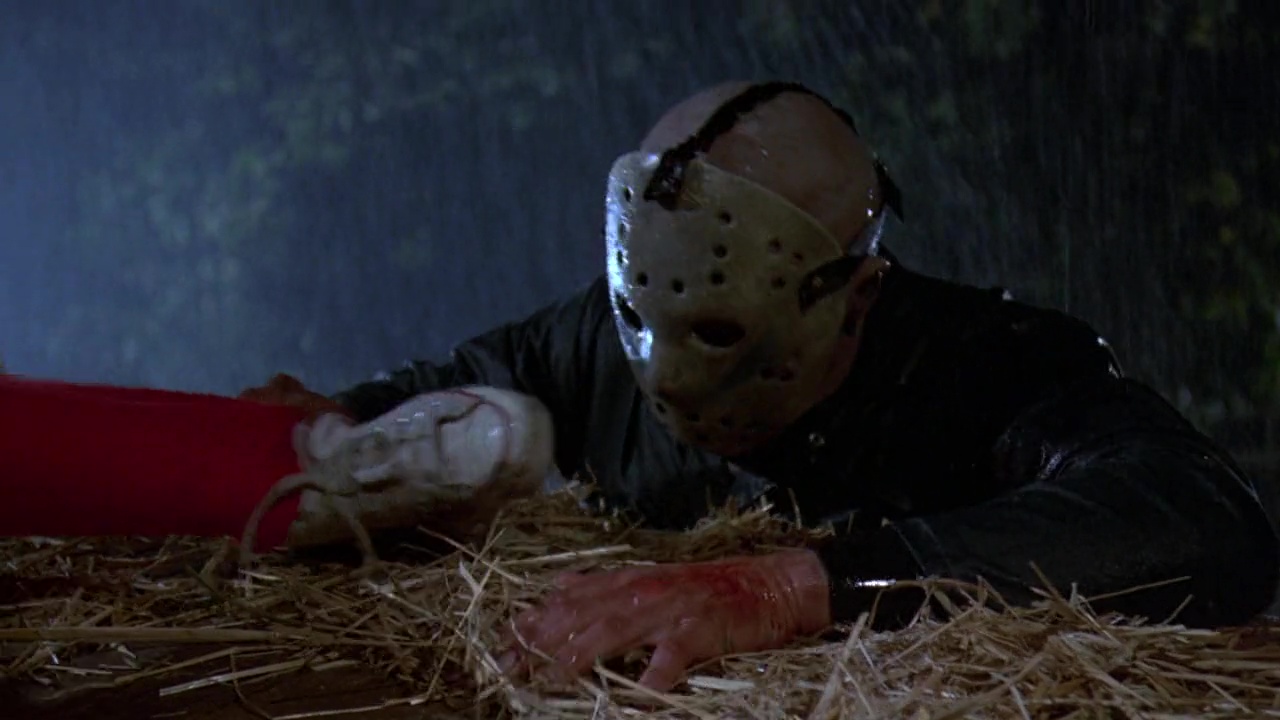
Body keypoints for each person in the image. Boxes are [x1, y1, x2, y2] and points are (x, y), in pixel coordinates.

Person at [4, 80, 1275, 694]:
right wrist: (303, 430)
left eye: (719, 330)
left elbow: (1202, 519)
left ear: (855, 297)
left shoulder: (983, 363)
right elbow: (379, 433)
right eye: (639, 322)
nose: (663, 375)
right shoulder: (585, 348)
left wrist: (787, 586)